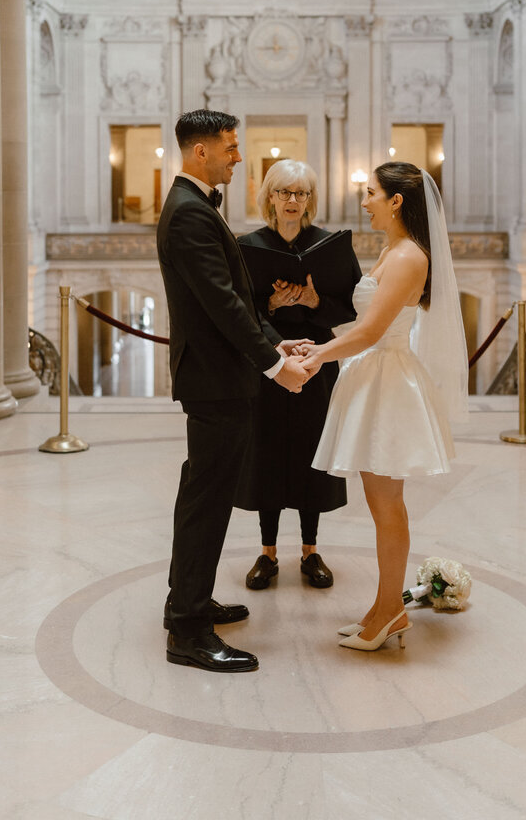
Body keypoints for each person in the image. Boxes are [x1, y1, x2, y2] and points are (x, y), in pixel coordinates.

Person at [157, 110, 311, 673]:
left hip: (220, 377)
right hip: (216, 382)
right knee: (207, 502)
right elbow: (222, 305)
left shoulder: (195, 206)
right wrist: (275, 366)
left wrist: (280, 341)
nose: (239, 157)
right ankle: (189, 631)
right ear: (200, 152)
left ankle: (188, 599)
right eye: (230, 148)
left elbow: (239, 297)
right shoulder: (188, 214)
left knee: (203, 493)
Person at [300, 162, 468, 652]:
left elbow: (373, 332)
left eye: (371, 193)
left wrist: (317, 355)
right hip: (374, 373)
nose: (364, 200)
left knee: (387, 506)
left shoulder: (410, 255)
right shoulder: (391, 249)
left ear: (396, 201)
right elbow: (364, 323)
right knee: (380, 504)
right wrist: (313, 344)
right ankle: (382, 607)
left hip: (390, 381)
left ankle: (391, 611)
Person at [236, 160, 361, 591]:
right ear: (269, 196)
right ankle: (267, 552)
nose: (292, 201)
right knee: (267, 449)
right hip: (268, 360)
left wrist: (311, 301)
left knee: (312, 449)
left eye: (301, 193)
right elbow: (241, 307)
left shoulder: (330, 245)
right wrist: (270, 314)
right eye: (284, 192)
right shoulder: (247, 245)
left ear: (310, 200)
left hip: (317, 357)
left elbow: (349, 307)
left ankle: (310, 550)